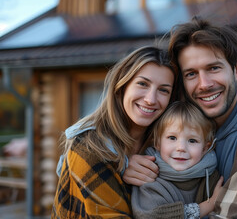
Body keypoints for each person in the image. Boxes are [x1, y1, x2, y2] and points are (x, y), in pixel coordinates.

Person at [123, 17, 237, 218]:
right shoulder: (183, 120)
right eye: (191, 74)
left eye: (213, 68)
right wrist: (132, 164)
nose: (204, 84)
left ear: (236, 68)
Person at [52, 46, 178, 218]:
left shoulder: (164, 146)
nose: (151, 99)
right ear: (122, 85)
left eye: (163, 90)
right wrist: (119, 167)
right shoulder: (88, 146)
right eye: (142, 84)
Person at [131, 101, 223, 219]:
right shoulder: (149, 177)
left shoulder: (211, 177)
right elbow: (149, 216)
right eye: (172, 138)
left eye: (192, 140)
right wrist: (206, 207)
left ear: (205, 148)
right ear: (158, 143)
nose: (181, 148)